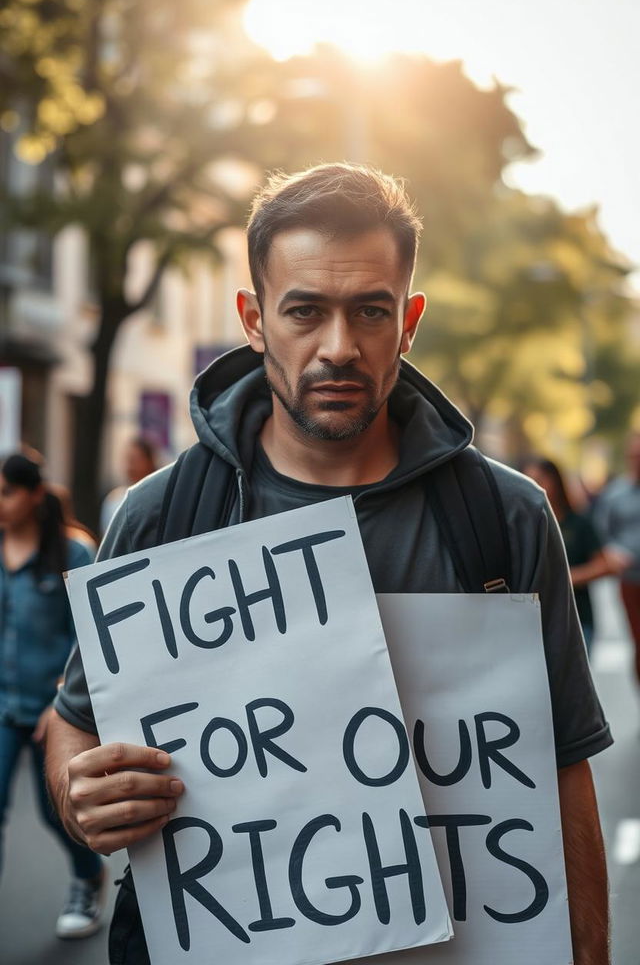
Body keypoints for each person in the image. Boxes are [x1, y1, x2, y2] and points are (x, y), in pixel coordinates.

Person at [46, 164, 611, 964]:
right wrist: (82, 797)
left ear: (408, 321)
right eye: (304, 311)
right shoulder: (159, 517)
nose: (338, 347)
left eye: (370, 312)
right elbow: (72, 726)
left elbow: (559, 765)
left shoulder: (507, 519)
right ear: (253, 318)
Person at [0, 453, 105, 939]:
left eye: (7, 491)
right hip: (3, 707)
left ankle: (87, 879)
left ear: (35, 494)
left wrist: (60, 701)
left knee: (56, 809)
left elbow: (87, 637)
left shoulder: (73, 553)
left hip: (55, 709)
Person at [522, 456, 612, 655]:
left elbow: (604, 565)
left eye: (540, 478)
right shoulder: (522, 525)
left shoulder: (578, 523)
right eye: (528, 479)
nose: (535, 485)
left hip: (577, 618)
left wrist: (567, 578)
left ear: (556, 481)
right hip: (535, 622)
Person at [594, 430, 640, 684]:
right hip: (630, 580)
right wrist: (612, 552)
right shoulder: (616, 494)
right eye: (634, 455)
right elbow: (602, 534)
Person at [99, 435, 158, 536]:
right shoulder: (114, 500)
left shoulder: (159, 496)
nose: (131, 466)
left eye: (136, 460)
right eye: (129, 460)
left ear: (150, 461)